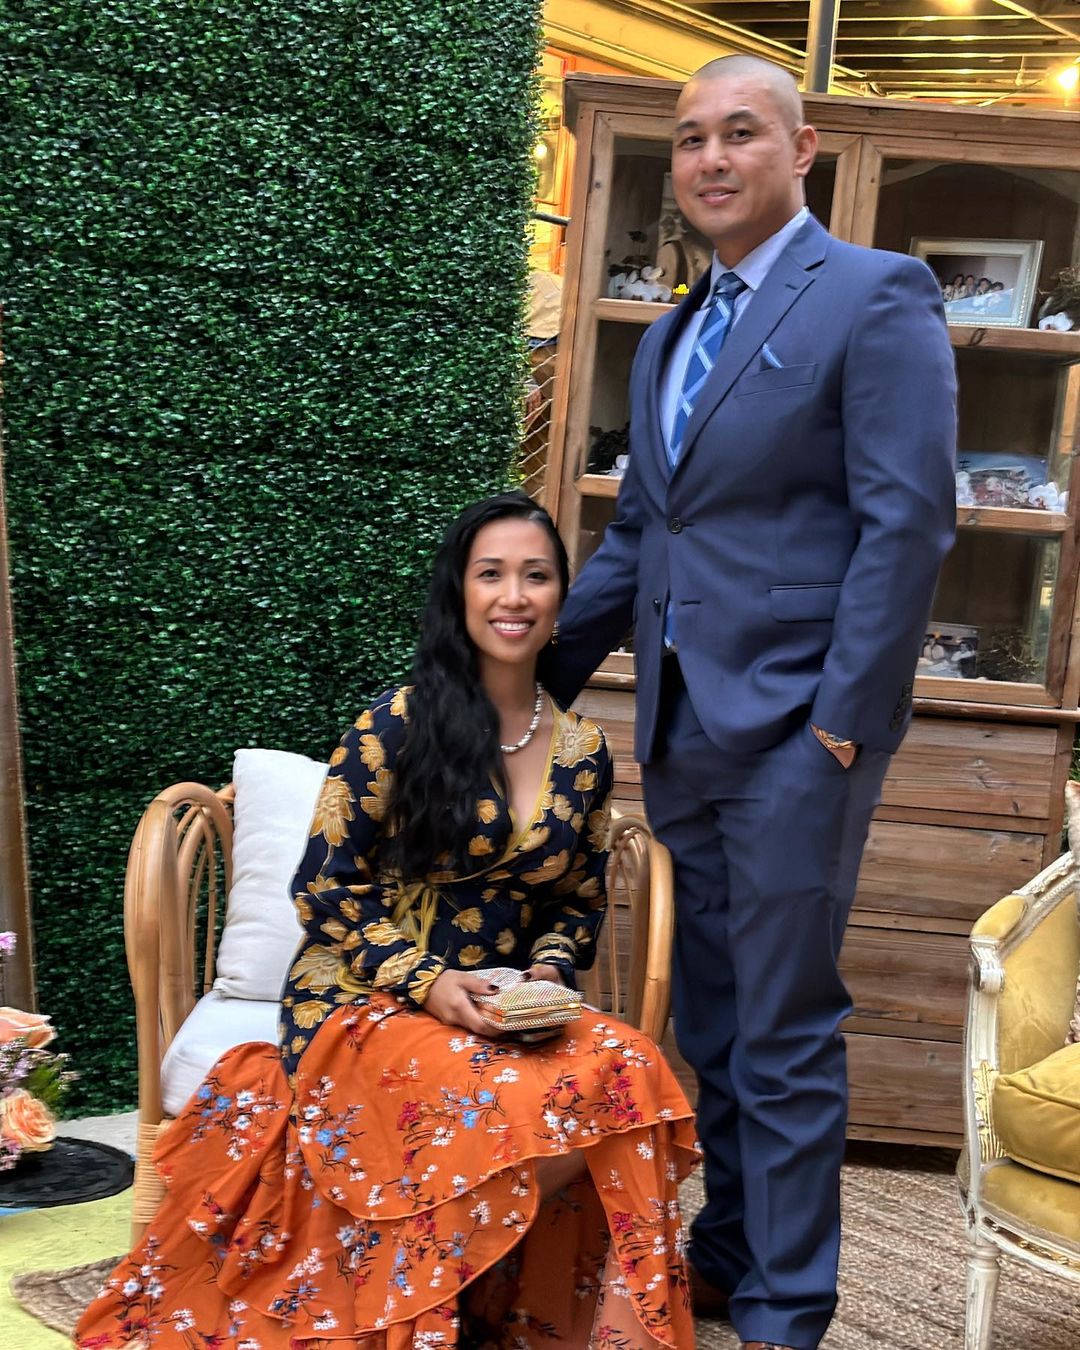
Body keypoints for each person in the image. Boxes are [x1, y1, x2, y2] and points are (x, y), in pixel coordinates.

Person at [76, 492, 698, 1350]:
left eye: (536, 576)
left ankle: (488, 1299)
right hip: (363, 993)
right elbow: (324, 886)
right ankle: (398, 1309)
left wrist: (549, 973)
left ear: (561, 595)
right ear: (459, 592)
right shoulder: (397, 723)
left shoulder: (583, 750)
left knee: (632, 1072)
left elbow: (577, 899)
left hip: (501, 1002)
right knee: (496, 1098)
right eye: (491, 575)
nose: (514, 596)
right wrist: (429, 982)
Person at [545, 55, 957, 1350]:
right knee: (716, 1016)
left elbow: (909, 522)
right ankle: (729, 1251)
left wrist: (842, 720)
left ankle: (787, 1308)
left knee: (780, 1024)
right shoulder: (674, 331)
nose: (711, 159)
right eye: (690, 140)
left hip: (798, 737)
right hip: (680, 727)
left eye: (739, 133)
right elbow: (641, 537)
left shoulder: (874, 295)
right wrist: (513, 683)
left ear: (801, 149)